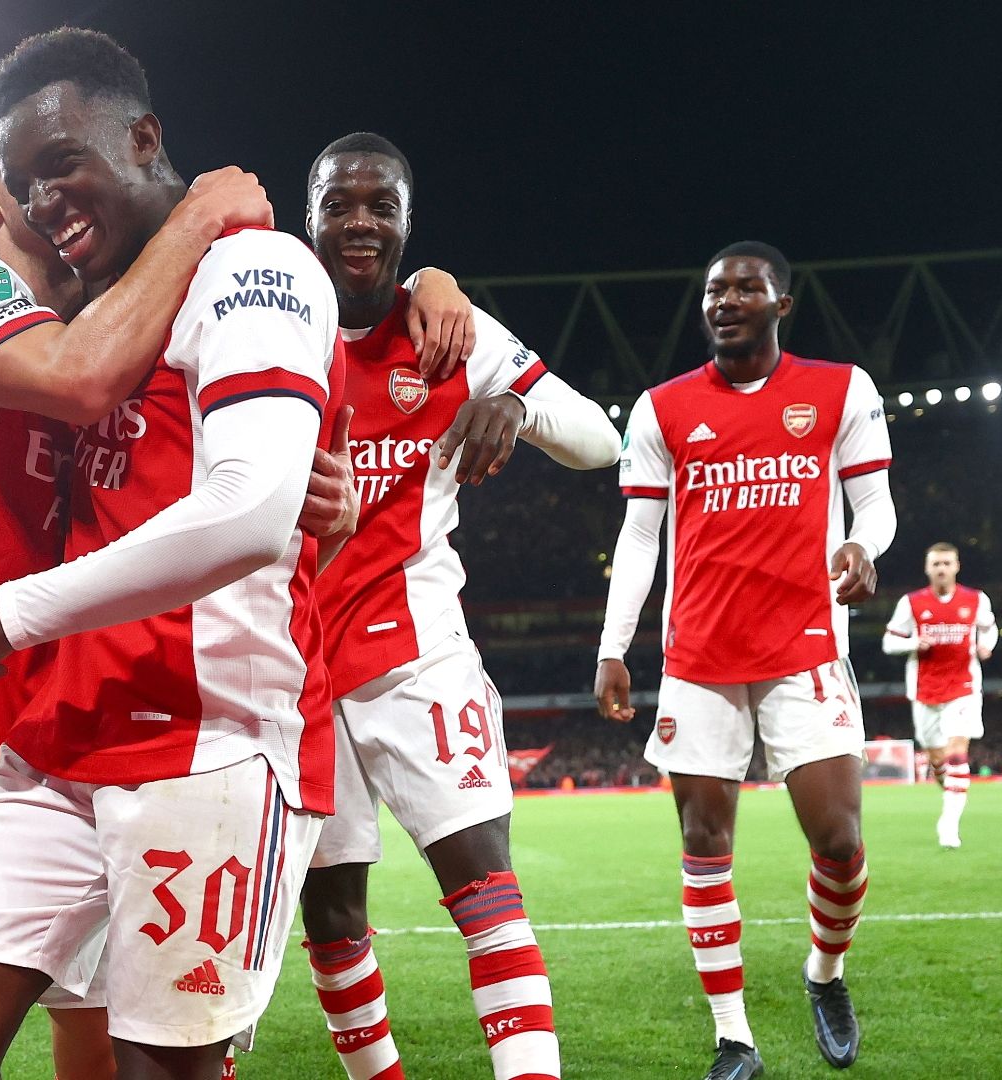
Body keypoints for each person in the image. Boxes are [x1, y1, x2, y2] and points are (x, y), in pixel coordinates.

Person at [0, 29, 340, 1079]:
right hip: (60, 736)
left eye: (63, 164)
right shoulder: (86, 308)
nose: (44, 201)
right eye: (23, 184)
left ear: (144, 138)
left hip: (209, 741)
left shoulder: (253, 267)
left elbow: (248, 511)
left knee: (156, 1070)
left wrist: (12, 614)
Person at [295, 132, 619, 1080]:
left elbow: (600, 441)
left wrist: (515, 403)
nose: (360, 222)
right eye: (339, 204)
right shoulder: (272, 321)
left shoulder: (453, 332)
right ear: (308, 215)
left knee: (484, 888)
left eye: (381, 206)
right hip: (295, 664)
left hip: (417, 653)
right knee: (333, 917)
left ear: (408, 221)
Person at [595, 241, 895, 1078]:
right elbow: (640, 537)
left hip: (806, 647)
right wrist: (614, 647)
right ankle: (735, 1037)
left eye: (744, 288)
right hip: (699, 656)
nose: (725, 300)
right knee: (704, 842)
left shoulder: (842, 389)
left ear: (781, 303)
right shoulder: (661, 408)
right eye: (713, 290)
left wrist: (863, 546)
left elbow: (875, 503)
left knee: (840, 841)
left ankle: (824, 973)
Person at [882, 542, 997, 847]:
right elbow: (889, 642)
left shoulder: (976, 599)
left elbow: (989, 628)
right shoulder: (911, 603)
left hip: (963, 687)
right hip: (925, 690)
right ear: (927, 568)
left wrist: (986, 645)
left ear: (957, 566)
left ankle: (949, 825)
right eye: (936, 564)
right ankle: (948, 790)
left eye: (947, 563)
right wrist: (913, 644)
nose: (942, 568)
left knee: (957, 752)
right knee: (937, 760)